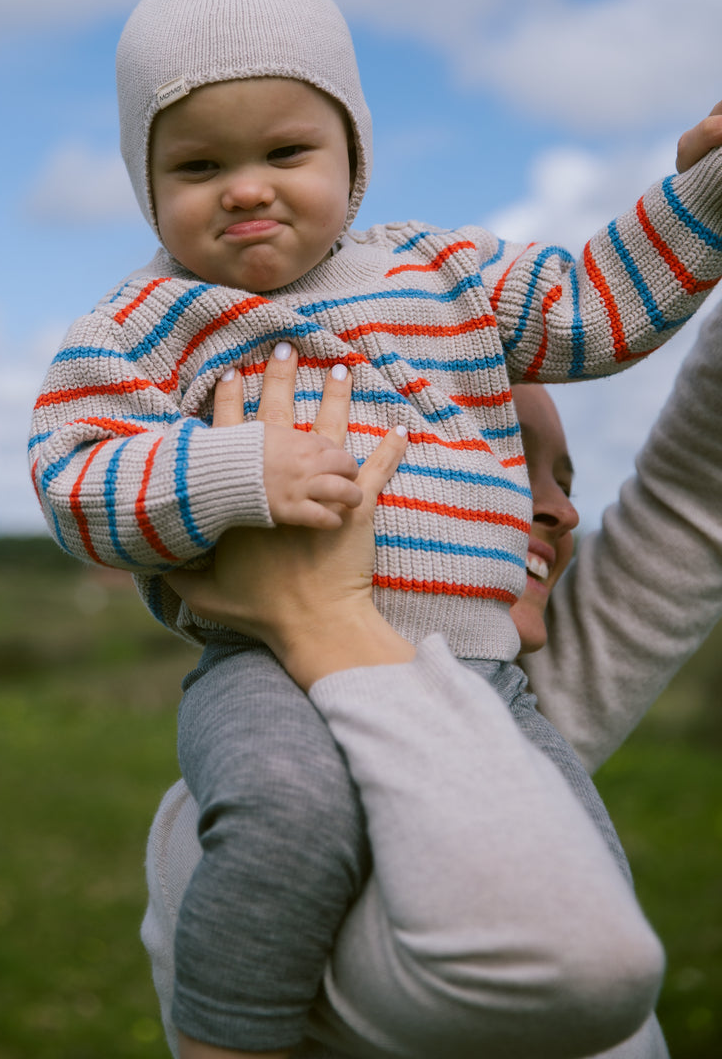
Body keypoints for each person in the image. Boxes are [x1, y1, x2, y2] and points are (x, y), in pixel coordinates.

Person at [29, 0, 722, 1053]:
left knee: (583, 861)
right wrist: (236, 468)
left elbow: (592, 307)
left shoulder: (442, 274)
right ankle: (225, 1035)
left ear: (353, 158)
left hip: (482, 678)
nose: (245, 190)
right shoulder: (143, 322)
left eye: (285, 152)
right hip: (266, 672)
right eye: (197, 166)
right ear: (146, 185)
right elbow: (74, 476)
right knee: (286, 816)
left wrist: (705, 193)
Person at [143, 298, 722, 1058]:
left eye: (564, 481)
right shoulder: (254, 816)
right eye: (493, 459)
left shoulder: (509, 707)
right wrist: (323, 618)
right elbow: (591, 967)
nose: (562, 512)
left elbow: (696, 496)